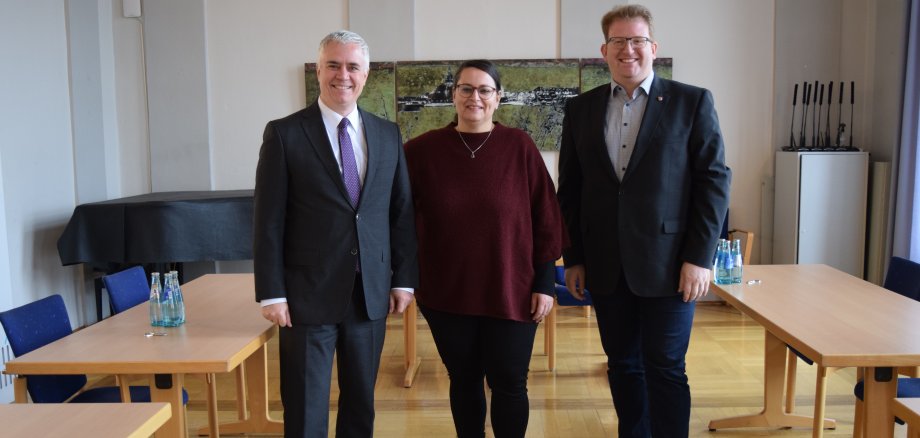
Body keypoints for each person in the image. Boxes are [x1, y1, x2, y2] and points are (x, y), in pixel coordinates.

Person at [556, 5, 731, 438]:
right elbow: (571, 190)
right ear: (604, 50)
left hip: (671, 266)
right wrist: (574, 257)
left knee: (666, 367)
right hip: (606, 265)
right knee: (623, 366)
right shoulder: (580, 109)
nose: (628, 50)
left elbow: (714, 183)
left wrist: (699, 257)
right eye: (618, 41)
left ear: (653, 47)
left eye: (637, 41)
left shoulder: (692, 102)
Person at [253, 30, 418, 438]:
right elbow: (267, 220)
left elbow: (400, 215)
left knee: (361, 402)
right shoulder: (285, 133)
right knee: (306, 403)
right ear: (318, 70)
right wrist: (272, 293)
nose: (342, 75)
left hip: (370, 294)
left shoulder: (387, 134)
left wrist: (403, 280)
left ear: (366, 75)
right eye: (333, 65)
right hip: (306, 295)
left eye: (352, 67)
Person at [403, 59, 566, 438]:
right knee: (464, 379)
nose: (474, 97)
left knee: (510, 381)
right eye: (465, 89)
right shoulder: (421, 152)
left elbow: (546, 217)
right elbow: (401, 222)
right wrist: (405, 280)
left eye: (484, 90)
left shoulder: (519, 146)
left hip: (513, 288)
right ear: (453, 95)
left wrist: (544, 282)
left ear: (498, 98)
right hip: (446, 291)